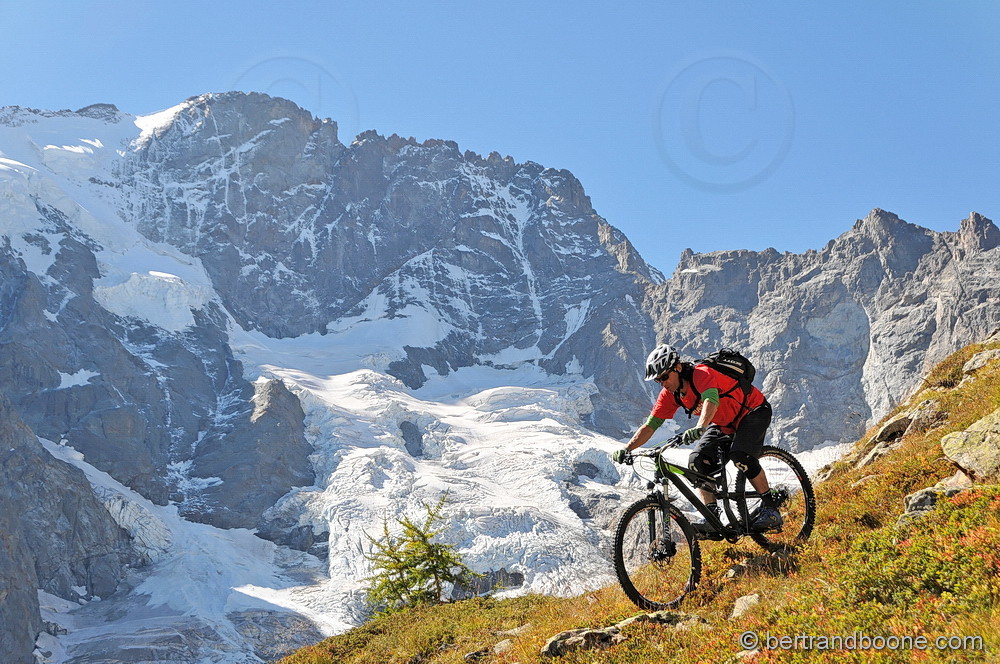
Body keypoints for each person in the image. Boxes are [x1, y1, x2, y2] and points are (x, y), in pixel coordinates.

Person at [611, 344, 782, 531]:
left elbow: (711, 400)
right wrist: (627, 449)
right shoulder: (670, 394)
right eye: (658, 381)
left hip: (752, 410)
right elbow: (650, 426)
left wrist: (700, 427)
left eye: (664, 377)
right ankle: (712, 517)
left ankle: (771, 508)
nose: (663, 383)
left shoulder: (701, 374)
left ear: (677, 367)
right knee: (697, 461)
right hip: (725, 424)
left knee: (741, 455)